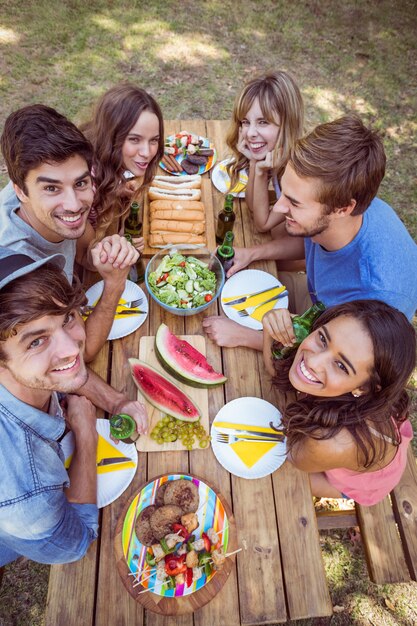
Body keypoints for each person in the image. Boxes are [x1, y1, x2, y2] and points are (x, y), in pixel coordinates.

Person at [204, 115, 417, 349]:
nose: (279, 207)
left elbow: (330, 359)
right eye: (283, 192)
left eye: (294, 203)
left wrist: (245, 337)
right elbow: (311, 241)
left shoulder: (375, 298)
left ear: (343, 208)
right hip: (315, 296)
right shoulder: (338, 213)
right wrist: (252, 253)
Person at [0, 104, 139, 362]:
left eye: (81, 183)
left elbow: (85, 253)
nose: (74, 204)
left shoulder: (36, 187)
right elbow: (78, 353)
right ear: (20, 191)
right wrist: (115, 285)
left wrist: (102, 253)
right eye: (52, 189)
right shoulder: (23, 273)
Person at [265, 300, 416, 505]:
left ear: (363, 388)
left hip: (363, 481)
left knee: (281, 475)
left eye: (341, 365)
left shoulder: (327, 442)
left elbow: (293, 455)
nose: (313, 361)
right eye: (323, 339)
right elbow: (283, 373)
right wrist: (268, 329)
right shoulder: (355, 386)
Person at [82, 83, 164, 242]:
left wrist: (116, 189)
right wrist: (118, 243)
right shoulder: (84, 184)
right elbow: (86, 254)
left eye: (154, 140)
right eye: (134, 139)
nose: (147, 153)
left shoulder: (106, 158)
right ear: (110, 136)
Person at [226, 70, 304, 238]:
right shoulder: (276, 155)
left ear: (287, 124)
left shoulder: (298, 172)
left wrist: (260, 172)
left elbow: (262, 224)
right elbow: (253, 206)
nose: (250, 133)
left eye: (263, 122)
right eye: (245, 122)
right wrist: (254, 162)